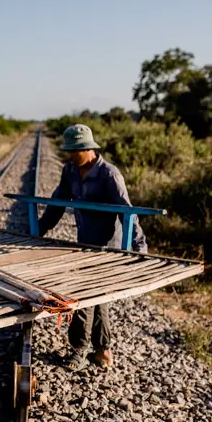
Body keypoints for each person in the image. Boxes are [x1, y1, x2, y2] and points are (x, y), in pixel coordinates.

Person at [38, 124, 147, 371]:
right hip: (84, 243)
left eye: (74, 151)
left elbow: (127, 211)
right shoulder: (70, 171)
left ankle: (79, 352)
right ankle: (102, 352)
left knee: (84, 297)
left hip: (107, 247)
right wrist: (39, 231)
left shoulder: (109, 174)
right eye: (68, 151)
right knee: (98, 300)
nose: (69, 155)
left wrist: (139, 248)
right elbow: (57, 204)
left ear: (88, 149)